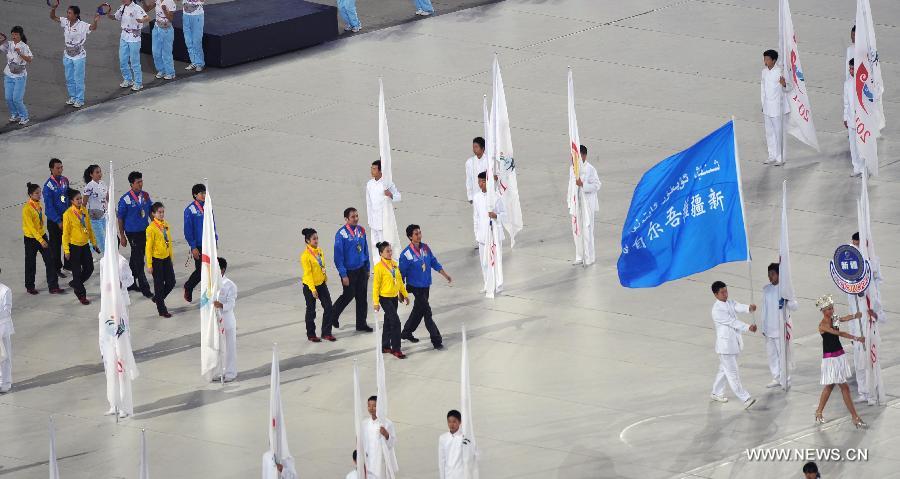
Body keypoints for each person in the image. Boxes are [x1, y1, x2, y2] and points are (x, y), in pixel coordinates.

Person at [813, 295, 866, 428]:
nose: (831, 311)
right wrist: (856, 338)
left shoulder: (834, 318)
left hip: (839, 355)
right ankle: (855, 417)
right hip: (831, 359)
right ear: (823, 311)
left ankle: (819, 412)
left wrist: (855, 315)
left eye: (832, 308)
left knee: (830, 386)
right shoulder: (823, 325)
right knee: (844, 387)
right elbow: (839, 333)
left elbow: (843, 318)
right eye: (828, 309)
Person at [399, 224, 451, 349]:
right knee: (427, 313)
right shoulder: (405, 254)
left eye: (420, 233)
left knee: (418, 311)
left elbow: (433, 262)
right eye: (416, 234)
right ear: (410, 237)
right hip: (414, 286)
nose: (419, 235)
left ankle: (406, 332)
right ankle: (436, 339)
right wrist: (400, 292)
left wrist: (445, 274)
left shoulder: (425, 248)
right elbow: (401, 274)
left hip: (425, 285)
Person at [709, 280, 758, 409]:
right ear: (715, 294)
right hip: (726, 348)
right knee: (732, 373)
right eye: (722, 292)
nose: (725, 294)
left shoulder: (730, 302)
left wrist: (749, 308)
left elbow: (738, 306)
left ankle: (716, 392)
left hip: (733, 345)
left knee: (724, 370)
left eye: (726, 291)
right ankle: (745, 398)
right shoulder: (716, 310)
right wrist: (748, 327)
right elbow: (732, 322)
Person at [50, 4, 100, 108]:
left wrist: (95, 20)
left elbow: (93, 28)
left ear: (76, 15)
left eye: (70, 13)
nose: (67, 15)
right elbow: (53, 17)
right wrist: (53, 8)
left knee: (78, 79)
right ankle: (72, 97)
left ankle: (80, 99)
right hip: (67, 55)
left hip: (79, 57)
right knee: (69, 78)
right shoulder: (65, 21)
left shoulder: (82, 25)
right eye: (67, 12)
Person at [333, 207, 372, 332]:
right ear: (346, 219)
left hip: (361, 269)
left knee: (362, 297)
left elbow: (365, 249)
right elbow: (338, 257)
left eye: (356, 216)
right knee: (348, 295)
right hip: (349, 271)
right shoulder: (341, 235)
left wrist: (367, 267)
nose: (356, 218)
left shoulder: (361, 230)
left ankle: (361, 324)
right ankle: (332, 315)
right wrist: (343, 274)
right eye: (353, 217)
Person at [760, 262, 798, 388]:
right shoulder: (766, 289)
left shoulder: (785, 289)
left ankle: (785, 378)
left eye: (772, 274)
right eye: (769, 274)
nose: (770, 277)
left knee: (783, 355)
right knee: (772, 355)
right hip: (769, 328)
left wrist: (787, 300)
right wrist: (763, 326)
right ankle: (776, 377)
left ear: (779, 274)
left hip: (781, 329)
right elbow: (764, 309)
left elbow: (795, 307)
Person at [22, 183, 63, 295]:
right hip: (31, 239)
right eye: (37, 193)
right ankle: (30, 286)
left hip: (41, 235)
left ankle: (53, 286)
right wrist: (41, 240)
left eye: (40, 192)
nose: (40, 195)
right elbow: (31, 227)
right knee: (31, 263)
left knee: (50, 260)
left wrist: (43, 237)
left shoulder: (38, 204)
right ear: (30, 194)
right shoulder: (27, 209)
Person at [117, 171, 152, 298]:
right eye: (138, 182)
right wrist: (122, 236)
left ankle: (129, 281)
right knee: (139, 260)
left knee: (136, 257)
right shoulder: (125, 199)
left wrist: (156, 227)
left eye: (141, 181)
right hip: (132, 233)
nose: (141, 184)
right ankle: (145, 288)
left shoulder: (146, 196)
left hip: (144, 231)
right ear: (132, 184)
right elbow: (120, 218)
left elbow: (151, 212)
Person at [62, 189, 100, 305]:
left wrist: (94, 243)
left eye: (80, 198)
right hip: (74, 247)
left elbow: (89, 228)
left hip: (85, 245)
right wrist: (66, 250)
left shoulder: (84, 210)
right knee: (77, 272)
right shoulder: (68, 214)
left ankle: (75, 283)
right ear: (72, 201)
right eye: (77, 199)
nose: (80, 200)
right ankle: (81, 294)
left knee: (89, 268)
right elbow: (65, 234)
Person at [373, 241, 409, 359]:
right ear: (381, 253)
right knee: (396, 322)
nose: (390, 253)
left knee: (388, 321)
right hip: (384, 298)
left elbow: (399, 281)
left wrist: (405, 294)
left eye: (390, 250)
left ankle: (385, 345)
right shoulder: (378, 267)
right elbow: (376, 286)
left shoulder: (394, 264)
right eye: (387, 251)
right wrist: (376, 302)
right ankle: (396, 349)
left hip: (394, 297)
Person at [300, 228, 336, 343]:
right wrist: (312, 289)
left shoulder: (319, 251)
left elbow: (322, 265)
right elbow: (308, 274)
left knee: (329, 307)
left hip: (321, 284)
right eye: (314, 239)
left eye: (317, 238)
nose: (316, 240)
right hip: (310, 286)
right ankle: (311, 334)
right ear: (307, 241)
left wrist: (324, 277)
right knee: (311, 310)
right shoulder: (305, 256)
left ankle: (326, 332)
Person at [568, 144, 601, 266]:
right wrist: (570, 201)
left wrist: (583, 185)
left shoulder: (590, 169)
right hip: (576, 203)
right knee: (576, 229)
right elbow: (570, 186)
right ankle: (579, 256)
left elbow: (597, 185)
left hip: (587, 204)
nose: (574, 158)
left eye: (577, 156)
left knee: (587, 229)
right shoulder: (572, 168)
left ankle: (589, 257)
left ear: (584, 155)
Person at [473, 172, 505, 293]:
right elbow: (476, 217)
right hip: (482, 235)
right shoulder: (477, 197)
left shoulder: (496, 197)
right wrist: (477, 233)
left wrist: (496, 215)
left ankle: (497, 284)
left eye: (482, 181)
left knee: (496, 260)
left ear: (487, 181)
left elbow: (505, 215)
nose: (479, 184)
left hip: (495, 234)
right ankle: (487, 284)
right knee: (484, 262)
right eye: (479, 181)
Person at [183, 184, 215, 302]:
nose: (204, 195)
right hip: (199, 245)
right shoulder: (190, 210)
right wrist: (193, 247)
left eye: (205, 193)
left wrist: (214, 239)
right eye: (201, 193)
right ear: (195, 195)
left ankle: (208, 293)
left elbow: (212, 224)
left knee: (210, 269)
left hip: (209, 243)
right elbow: (188, 230)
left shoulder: (208, 207)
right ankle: (189, 286)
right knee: (202, 270)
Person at [108, 0, 149, 91]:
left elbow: (147, 17)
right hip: (124, 36)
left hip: (134, 37)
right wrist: (108, 14)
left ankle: (138, 83)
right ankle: (128, 79)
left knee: (134, 61)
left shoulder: (137, 8)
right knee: (122, 60)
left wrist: (141, 20)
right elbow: (115, 17)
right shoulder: (122, 7)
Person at [760, 49, 790, 166]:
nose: (765, 61)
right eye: (764, 59)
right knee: (769, 132)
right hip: (767, 106)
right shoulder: (764, 72)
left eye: (767, 59)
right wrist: (763, 103)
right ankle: (771, 155)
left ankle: (780, 157)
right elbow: (762, 89)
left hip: (777, 107)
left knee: (779, 133)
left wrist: (784, 84)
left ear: (774, 60)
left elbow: (788, 88)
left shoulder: (780, 71)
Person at [145, 202, 175, 317]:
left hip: (166, 258)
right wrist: (149, 264)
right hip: (156, 260)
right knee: (159, 285)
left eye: (163, 212)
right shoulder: (151, 228)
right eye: (159, 212)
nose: (162, 214)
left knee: (171, 282)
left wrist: (170, 257)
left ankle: (158, 298)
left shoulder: (165, 225)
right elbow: (148, 248)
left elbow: (169, 242)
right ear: (153, 214)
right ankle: (162, 310)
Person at [43, 158, 71, 277]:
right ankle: (56, 268)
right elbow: (49, 207)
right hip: (55, 221)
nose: (60, 170)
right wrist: (58, 220)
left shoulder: (65, 180)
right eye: (57, 168)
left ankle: (68, 265)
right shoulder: (48, 186)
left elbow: (67, 197)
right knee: (56, 245)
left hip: (66, 218)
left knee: (68, 242)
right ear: (51, 169)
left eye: (61, 167)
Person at [360, 395, 398, 479]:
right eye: (369, 405)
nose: (371, 408)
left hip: (381, 460)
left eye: (374, 406)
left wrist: (386, 435)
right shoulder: (364, 424)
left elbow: (392, 443)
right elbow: (363, 442)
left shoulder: (387, 423)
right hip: (369, 460)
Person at [365, 159, 402, 246]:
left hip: (384, 221)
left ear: (380, 171)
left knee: (386, 244)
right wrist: (370, 220)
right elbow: (369, 203)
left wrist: (390, 195)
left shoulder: (387, 183)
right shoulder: (369, 184)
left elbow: (399, 196)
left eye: (374, 169)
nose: (372, 171)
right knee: (375, 245)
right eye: (371, 168)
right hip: (374, 221)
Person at [2, 26, 32, 125]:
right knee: (8, 98)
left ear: (20, 35)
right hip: (8, 75)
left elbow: (29, 60)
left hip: (20, 77)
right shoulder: (8, 44)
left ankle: (24, 116)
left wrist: (20, 53)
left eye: (16, 34)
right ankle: (15, 114)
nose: (14, 36)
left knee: (16, 99)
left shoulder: (24, 46)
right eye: (13, 34)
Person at [213, 257, 237, 381]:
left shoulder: (230, 285)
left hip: (227, 320)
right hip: (215, 321)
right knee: (217, 347)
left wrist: (221, 305)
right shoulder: (211, 283)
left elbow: (231, 304)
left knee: (229, 348)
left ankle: (230, 373)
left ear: (222, 270)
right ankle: (218, 372)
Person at [438, 409, 475, 479]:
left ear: (460, 422)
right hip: (448, 475)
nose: (451, 424)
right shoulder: (443, 438)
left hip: (461, 475)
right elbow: (441, 460)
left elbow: (471, 455)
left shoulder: (464, 438)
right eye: (449, 422)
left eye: (454, 421)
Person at [145, 0, 176, 80]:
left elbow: (171, 18)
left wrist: (165, 10)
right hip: (156, 28)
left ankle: (170, 73)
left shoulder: (170, 2)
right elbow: (147, 9)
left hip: (166, 30)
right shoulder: (157, 1)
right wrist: (143, 2)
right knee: (155, 52)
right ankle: (161, 70)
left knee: (166, 53)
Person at [464, 137, 487, 245]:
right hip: (476, 195)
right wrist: (470, 196)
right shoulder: (469, 162)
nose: (474, 149)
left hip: (487, 194)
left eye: (476, 147)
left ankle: (488, 237)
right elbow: (468, 179)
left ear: (483, 148)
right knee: (477, 217)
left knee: (486, 215)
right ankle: (479, 239)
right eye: (473, 147)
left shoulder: (489, 161)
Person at [843, 59, 863, 177]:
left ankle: (863, 168)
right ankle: (856, 167)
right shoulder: (847, 83)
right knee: (853, 145)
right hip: (851, 119)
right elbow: (846, 102)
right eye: (849, 68)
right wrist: (845, 117)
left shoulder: (863, 82)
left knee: (861, 145)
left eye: (852, 68)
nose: (850, 71)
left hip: (861, 120)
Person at [82, 165, 108, 255]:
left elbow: (107, 198)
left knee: (107, 236)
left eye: (100, 172)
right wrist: (83, 216)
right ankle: (104, 257)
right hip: (95, 217)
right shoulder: (89, 186)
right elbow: (84, 203)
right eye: (97, 172)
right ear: (91, 174)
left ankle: (90, 254)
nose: (100, 174)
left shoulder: (103, 183)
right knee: (101, 238)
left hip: (104, 216)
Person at [181, 0, 205, 72]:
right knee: (188, 41)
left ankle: (200, 63)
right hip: (186, 15)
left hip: (197, 16)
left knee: (196, 41)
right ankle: (194, 62)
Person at [0, 268, 12, 394]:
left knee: (5, 355)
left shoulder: (5, 290)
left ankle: (5, 382)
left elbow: (7, 310)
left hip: (2, 327)